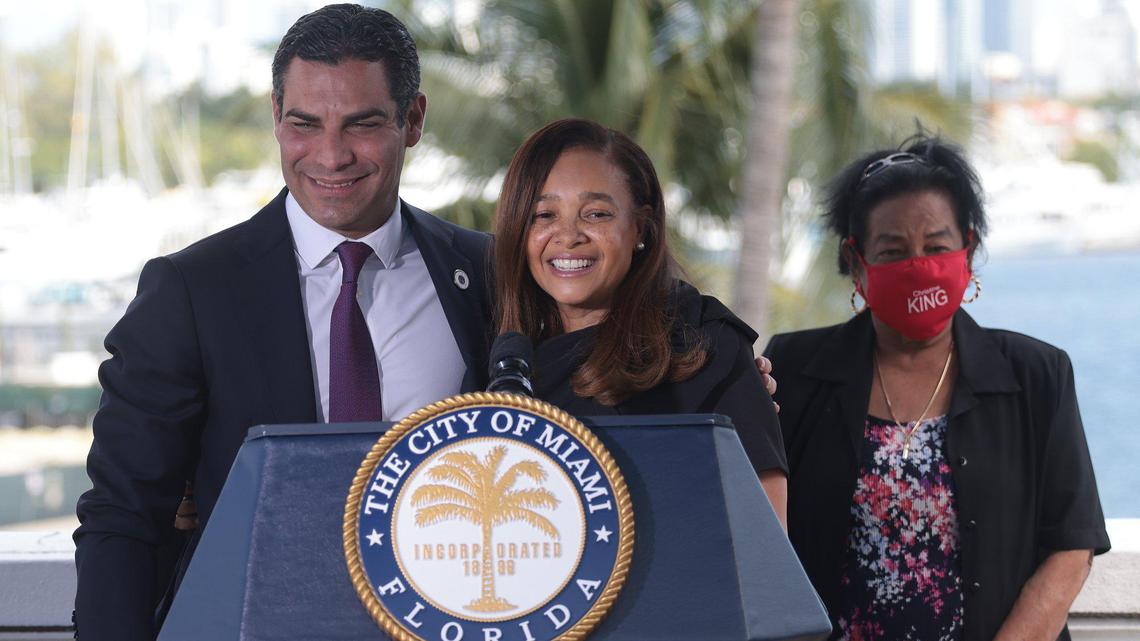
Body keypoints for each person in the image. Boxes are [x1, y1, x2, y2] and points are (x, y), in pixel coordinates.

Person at [72, 6, 494, 639]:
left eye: (363, 123)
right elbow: (124, 515)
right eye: (304, 123)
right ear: (276, 117)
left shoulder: (484, 274)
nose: (330, 155)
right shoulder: (191, 290)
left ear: (413, 120)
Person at [764, 134, 1110, 641]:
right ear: (856, 262)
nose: (919, 265)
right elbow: (756, 531)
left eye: (937, 246)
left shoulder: (1037, 374)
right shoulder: (794, 369)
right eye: (894, 250)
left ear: (967, 251)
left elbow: (1072, 547)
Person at [493, 118, 788, 519]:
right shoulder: (503, 362)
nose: (568, 236)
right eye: (543, 215)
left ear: (640, 227)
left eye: (595, 214)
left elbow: (765, 544)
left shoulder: (705, 346)